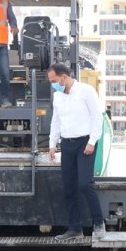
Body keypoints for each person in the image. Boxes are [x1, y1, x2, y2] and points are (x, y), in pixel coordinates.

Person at [47, 63, 105, 241]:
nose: (53, 84)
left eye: (54, 80)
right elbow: (55, 120)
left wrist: (92, 141)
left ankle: (99, 223)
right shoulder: (58, 96)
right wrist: (52, 143)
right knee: (69, 187)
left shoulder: (85, 91)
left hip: (84, 144)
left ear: (64, 76)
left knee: (85, 184)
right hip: (67, 144)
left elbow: (97, 116)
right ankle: (75, 229)